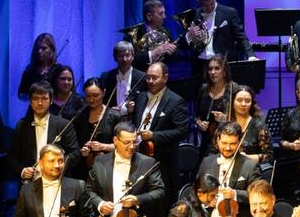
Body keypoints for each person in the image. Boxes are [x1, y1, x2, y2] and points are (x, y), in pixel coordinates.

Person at [129, 62, 190, 198]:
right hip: (139, 156)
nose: (150, 81)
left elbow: (182, 132)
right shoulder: (141, 97)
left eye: (155, 78)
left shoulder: (176, 101)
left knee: (161, 199)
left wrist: (153, 135)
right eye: (148, 77)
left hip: (163, 161)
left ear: (165, 78)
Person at [7, 83, 79, 180]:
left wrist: (58, 164)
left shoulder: (64, 125)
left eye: (44, 98)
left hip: (58, 181)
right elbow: (11, 157)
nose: (40, 103)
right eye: (35, 99)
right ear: (30, 102)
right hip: (30, 183)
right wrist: (22, 171)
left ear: (51, 100)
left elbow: (75, 153)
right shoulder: (22, 125)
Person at [274, 77, 300, 204]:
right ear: (298, 94)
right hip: (294, 162)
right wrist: (291, 145)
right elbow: (281, 140)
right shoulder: (291, 114)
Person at [187, 0, 254, 63]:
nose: (209, 8)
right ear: (198, 0)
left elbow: (241, 37)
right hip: (200, 63)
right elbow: (185, 42)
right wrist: (189, 35)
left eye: (211, 4)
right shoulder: (194, 15)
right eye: (205, 5)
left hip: (223, 63)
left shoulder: (229, 13)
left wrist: (251, 55)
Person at [72, 78, 120, 180]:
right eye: (88, 96)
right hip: (83, 168)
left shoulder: (114, 116)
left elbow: (122, 145)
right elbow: (74, 143)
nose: (91, 100)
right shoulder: (80, 115)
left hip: (109, 167)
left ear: (103, 93)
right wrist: (81, 151)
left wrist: (103, 146)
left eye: (95, 95)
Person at [194, 55, 233, 150]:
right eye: (210, 69)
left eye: (217, 68)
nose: (212, 72)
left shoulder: (233, 89)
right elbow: (196, 115)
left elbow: (242, 119)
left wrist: (226, 119)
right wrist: (199, 123)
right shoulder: (203, 89)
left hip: (228, 143)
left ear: (224, 71)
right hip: (206, 143)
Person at [132, 0, 181, 71]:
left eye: (164, 13)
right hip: (142, 74)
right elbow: (131, 58)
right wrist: (153, 53)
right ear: (149, 16)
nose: (164, 16)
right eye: (161, 14)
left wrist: (172, 51)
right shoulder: (135, 33)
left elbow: (178, 54)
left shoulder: (166, 32)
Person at [229, 84, 272, 163]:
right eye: (239, 100)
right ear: (232, 102)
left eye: (247, 101)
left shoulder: (259, 126)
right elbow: (212, 152)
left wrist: (247, 158)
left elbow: (269, 156)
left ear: (252, 103)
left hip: (251, 168)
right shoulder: (226, 123)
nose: (243, 104)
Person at [99, 41, 146, 112]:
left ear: (133, 57)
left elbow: (145, 102)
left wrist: (135, 107)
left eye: (127, 55)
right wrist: (109, 110)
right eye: (121, 56)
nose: (124, 59)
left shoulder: (142, 77)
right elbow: (100, 101)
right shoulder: (106, 77)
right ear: (115, 58)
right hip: (111, 117)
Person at [16, 32, 59, 101]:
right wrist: (34, 94)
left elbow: (65, 95)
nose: (39, 51)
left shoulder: (59, 70)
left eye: (43, 48)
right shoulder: (30, 69)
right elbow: (21, 95)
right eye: (37, 48)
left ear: (52, 50)